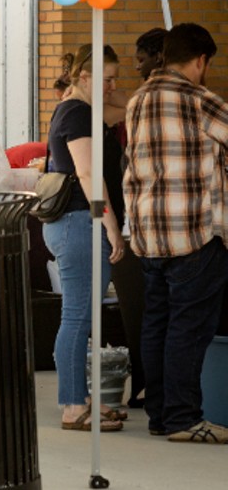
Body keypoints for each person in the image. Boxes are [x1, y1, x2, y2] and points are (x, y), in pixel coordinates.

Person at [124, 22, 228, 442]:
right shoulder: (199, 100)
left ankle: (160, 414)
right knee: (189, 326)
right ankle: (184, 418)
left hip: (150, 231)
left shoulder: (137, 100)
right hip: (195, 231)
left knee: (157, 323)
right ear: (200, 60)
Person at [45, 44, 128, 432]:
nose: (113, 86)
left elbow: (129, 106)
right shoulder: (78, 113)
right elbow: (89, 176)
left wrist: (107, 87)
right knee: (77, 316)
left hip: (75, 222)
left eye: (116, 78)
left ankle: (80, 397)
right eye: (106, 78)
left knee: (82, 315)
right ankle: (73, 406)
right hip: (82, 221)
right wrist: (110, 225)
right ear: (83, 77)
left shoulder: (83, 108)